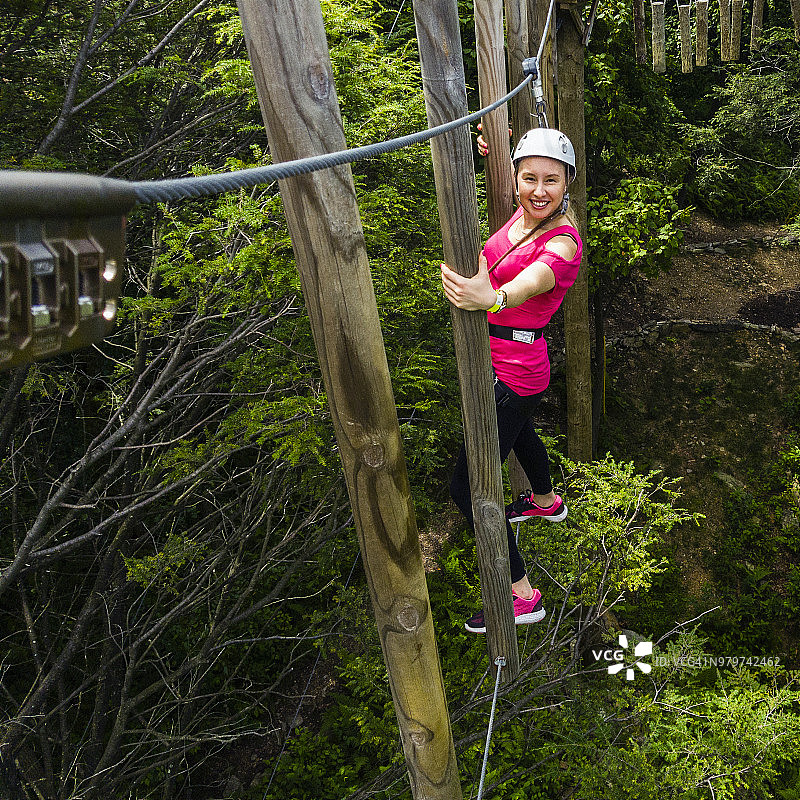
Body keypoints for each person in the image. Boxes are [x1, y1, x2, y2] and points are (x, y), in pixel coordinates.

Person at [440, 127, 582, 634]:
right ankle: (546, 502)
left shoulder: (563, 244)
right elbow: (503, 248)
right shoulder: (521, 220)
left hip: (513, 373)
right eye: (529, 179)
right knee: (522, 435)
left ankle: (523, 595)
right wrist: (487, 156)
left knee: (466, 487)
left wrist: (492, 299)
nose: (539, 190)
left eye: (551, 181)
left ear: (568, 184)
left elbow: (533, 280)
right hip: (513, 366)